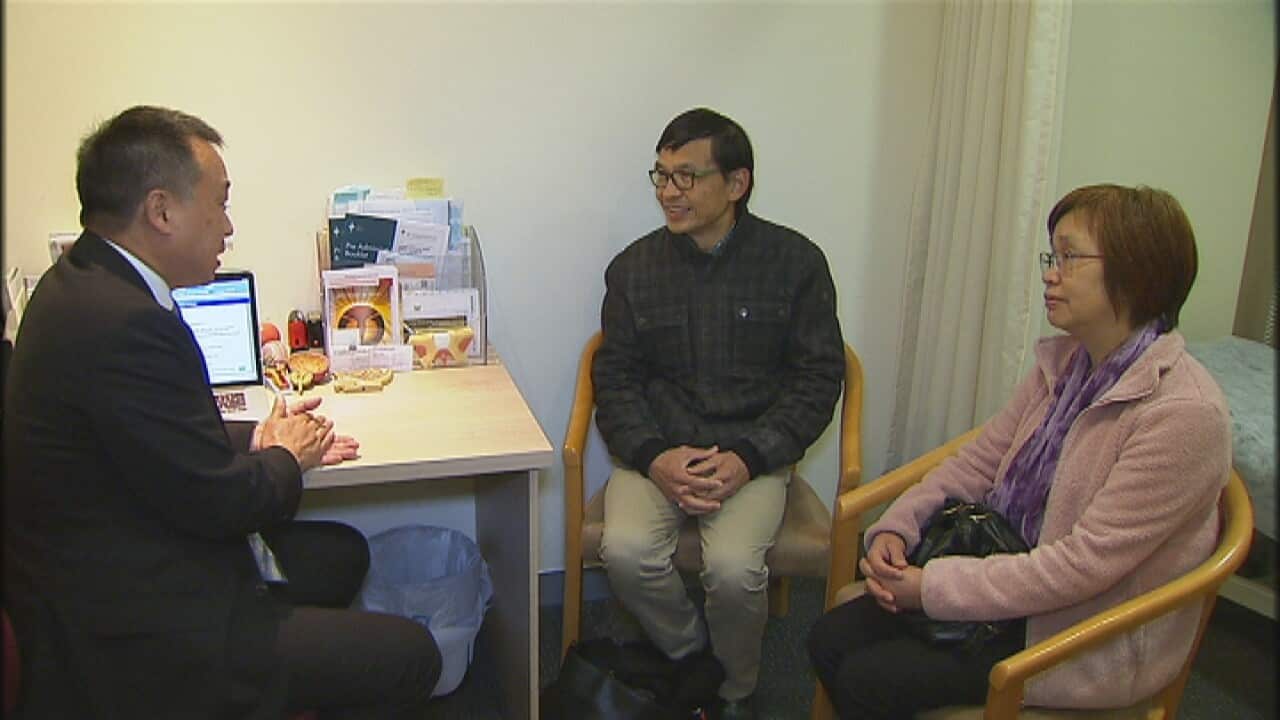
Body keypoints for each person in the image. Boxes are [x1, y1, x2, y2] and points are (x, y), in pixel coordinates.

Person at [2, 106, 441, 719]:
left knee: (342, 553)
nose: (228, 228)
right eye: (220, 204)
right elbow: (224, 505)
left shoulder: (80, 282)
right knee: (412, 654)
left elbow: (151, 430)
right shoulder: (122, 323)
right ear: (161, 211)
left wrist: (258, 431)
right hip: (138, 629)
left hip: (118, 562)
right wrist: (288, 456)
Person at [808, 184, 1231, 718]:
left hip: (1079, 630)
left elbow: (1083, 566)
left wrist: (932, 587)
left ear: (1137, 271)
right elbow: (980, 461)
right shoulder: (1069, 363)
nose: (1051, 273)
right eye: (1052, 256)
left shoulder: (1184, 415)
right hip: (1003, 577)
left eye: (1070, 257)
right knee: (827, 638)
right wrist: (899, 525)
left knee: (872, 680)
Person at [592, 107, 845, 719]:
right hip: (658, 453)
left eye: (686, 177)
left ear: (737, 184)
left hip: (751, 457)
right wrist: (655, 457)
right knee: (624, 552)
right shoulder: (634, 269)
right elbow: (615, 379)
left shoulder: (795, 263)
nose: (668, 193)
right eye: (661, 175)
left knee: (733, 572)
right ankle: (696, 661)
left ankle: (735, 695)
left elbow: (818, 379)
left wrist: (750, 457)